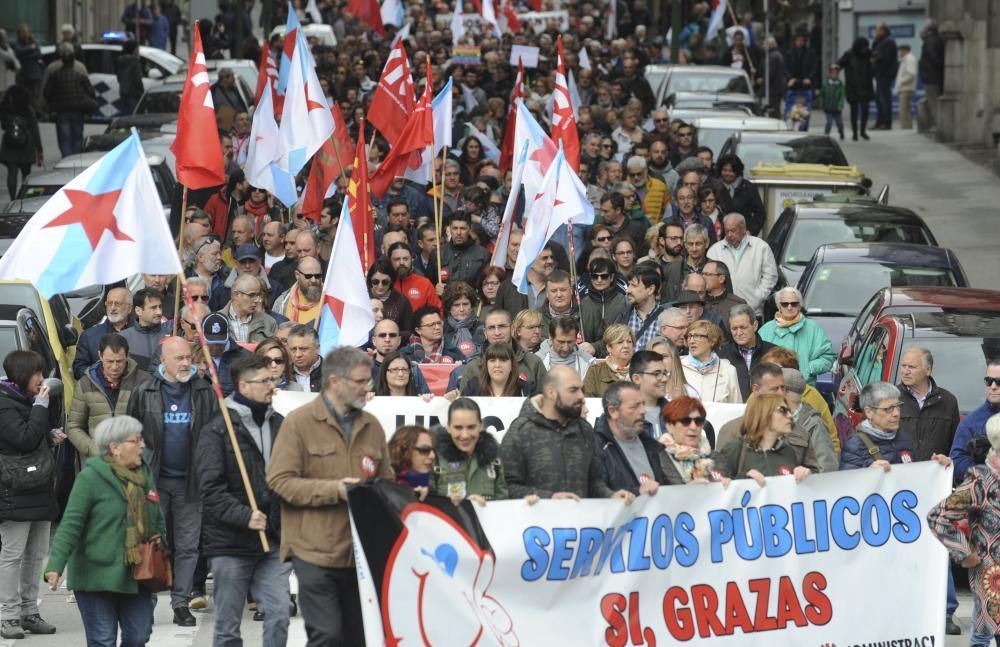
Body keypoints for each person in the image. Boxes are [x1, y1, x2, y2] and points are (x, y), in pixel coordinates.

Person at [267, 346, 393, 646]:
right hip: (313, 551)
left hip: (359, 555)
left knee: (358, 638)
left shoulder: (371, 426)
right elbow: (279, 481)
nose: (368, 388)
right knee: (327, 636)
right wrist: (334, 490)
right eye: (361, 382)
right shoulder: (299, 423)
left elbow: (385, 481)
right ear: (336, 382)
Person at [43, 417, 165, 645]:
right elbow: (71, 524)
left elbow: (156, 516)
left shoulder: (143, 474)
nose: (142, 445)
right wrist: (55, 566)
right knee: (103, 640)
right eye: (135, 440)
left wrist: (162, 548)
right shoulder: (90, 478)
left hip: (138, 572)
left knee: (139, 635)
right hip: (95, 575)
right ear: (114, 447)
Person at [197, 354, 291, 647]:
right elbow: (210, 489)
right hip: (230, 542)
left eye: (273, 380)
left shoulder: (280, 424)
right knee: (227, 627)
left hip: (272, 539)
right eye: (264, 381)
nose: (271, 386)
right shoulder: (218, 428)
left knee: (279, 614)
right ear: (243, 385)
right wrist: (244, 515)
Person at [126, 336, 217, 627]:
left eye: (188, 357)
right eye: (178, 358)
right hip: (155, 481)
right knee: (152, 543)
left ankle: (181, 602)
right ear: (162, 360)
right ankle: (145, 601)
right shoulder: (144, 391)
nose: (185, 362)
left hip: (191, 483)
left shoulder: (204, 391)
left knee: (189, 546)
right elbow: (131, 436)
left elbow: (215, 435)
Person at [501, 365, 634, 503]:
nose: (581, 397)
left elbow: (594, 481)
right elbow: (504, 487)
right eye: (573, 390)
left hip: (579, 522)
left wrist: (610, 496)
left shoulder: (584, 430)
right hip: (536, 522)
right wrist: (548, 498)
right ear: (551, 393)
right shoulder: (520, 431)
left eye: (582, 390)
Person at [0, 351, 61, 639]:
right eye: (37, 374)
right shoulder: (4, 404)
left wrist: (49, 436)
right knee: (12, 555)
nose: (41, 379)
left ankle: (29, 611)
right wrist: (41, 406)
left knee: (36, 554)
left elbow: (33, 436)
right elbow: (22, 439)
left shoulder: (28, 402)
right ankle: (8, 615)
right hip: (14, 489)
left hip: (39, 486)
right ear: (23, 375)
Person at [928, 414, 1000, 645]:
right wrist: (964, 553)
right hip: (992, 576)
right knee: (983, 634)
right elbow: (938, 516)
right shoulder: (981, 481)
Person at [67, 333, 150, 459]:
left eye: (120, 361)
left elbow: (153, 424)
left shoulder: (143, 381)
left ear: (128, 356)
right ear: (100, 355)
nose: (115, 367)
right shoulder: (85, 384)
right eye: (110, 361)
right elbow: (74, 426)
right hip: (99, 462)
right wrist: (92, 449)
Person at [594, 381, 682, 495]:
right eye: (634, 406)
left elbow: (671, 486)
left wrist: (691, 488)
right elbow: (596, 494)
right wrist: (637, 493)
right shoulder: (596, 447)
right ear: (613, 411)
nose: (643, 411)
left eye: (643, 404)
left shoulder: (651, 445)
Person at [712, 393, 814, 485]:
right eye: (783, 410)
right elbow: (717, 490)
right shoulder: (736, 448)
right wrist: (742, 480)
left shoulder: (788, 451)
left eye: (789, 411)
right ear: (764, 414)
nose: (790, 416)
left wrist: (806, 477)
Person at [432, 398, 508, 504]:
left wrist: (485, 506)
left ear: (481, 425)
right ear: (448, 427)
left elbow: (503, 504)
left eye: (471, 427)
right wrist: (446, 504)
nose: (465, 435)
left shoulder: (494, 460)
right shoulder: (433, 459)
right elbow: (423, 507)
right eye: (458, 428)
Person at [895, 347, 960, 462]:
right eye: (903, 366)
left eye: (911, 367)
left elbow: (956, 447)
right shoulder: (891, 399)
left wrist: (947, 460)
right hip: (899, 475)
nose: (905, 371)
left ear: (928, 370)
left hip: (935, 475)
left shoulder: (948, 401)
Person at [758, 287, 834, 385]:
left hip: (804, 388)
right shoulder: (766, 329)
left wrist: (807, 368)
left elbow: (827, 357)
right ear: (779, 306)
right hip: (772, 388)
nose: (789, 307)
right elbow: (757, 359)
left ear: (799, 306)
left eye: (794, 304)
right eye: (785, 304)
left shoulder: (812, 328)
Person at [707, 213, 778, 318]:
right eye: (727, 231)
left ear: (743, 229)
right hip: (722, 313)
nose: (730, 234)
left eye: (733, 230)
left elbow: (770, 276)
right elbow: (708, 277)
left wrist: (758, 296)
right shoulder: (715, 250)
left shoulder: (761, 247)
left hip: (753, 310)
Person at [840, 382, 915, 470]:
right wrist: (868, 473)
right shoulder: (855, 446)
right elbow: (847, 481)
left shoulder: (905, 437)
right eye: (888, 409)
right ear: (869, 412)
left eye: (898, 406)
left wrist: (932, 465)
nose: (896, 413)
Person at [42, 42, 96, 157]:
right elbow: (91, 91)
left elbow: (47, 92)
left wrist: (50, 104)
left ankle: (66, 159)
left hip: (61, 111)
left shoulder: (54, 72)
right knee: (77, 137)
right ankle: (75, 159)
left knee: (64, 138)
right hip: (78, 110)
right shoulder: (80, 71)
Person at [950, 361, 1000, 483]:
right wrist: (983, 476)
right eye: (989, 381)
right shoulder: (970, 422)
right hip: (986, 496)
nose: (993, 386)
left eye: (999, 381)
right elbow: (957, 458)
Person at [717, 304, 777, 400]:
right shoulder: (722, 355)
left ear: (755, 325)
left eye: (743, 327)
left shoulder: (773, 352)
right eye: (734, 328)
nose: (739, 333)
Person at [73, 287, 134, 379]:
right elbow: (78, 369)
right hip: (101, 391)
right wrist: (101, 376)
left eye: (117, 304)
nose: (112, 308)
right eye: (109, 303)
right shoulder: (89, 336)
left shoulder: (142, 334)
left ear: (129, 308)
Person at [680, 321, 741, 404]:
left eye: (697, 336)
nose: (691, 341)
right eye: (689, 336)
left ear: (712, 340)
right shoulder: (679, 367)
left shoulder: (728, 371)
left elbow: (736, 409)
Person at [0, 84, 42, 201]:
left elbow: (4, 126)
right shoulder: (28, 110)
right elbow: (35, 129)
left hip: (9, 142)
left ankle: (12, 198)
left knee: (11, 173)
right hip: (26, 143)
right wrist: (39, 148)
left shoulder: (5, 109)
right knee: (26, 173)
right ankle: (23, 198)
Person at [579, 257, 628, 351]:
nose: (599, 280)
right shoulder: (583, 302)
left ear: (612, 277)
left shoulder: (623, 300)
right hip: (587, 354)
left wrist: (596, 347)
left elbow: (621, 333)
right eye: (594, 276)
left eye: (604, 276)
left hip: (617, 352)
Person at [715, 156, 767, 236]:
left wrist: (751, 231)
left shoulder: (749, 188)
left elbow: (760, 214)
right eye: (724, 170)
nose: (727, 173)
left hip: (743, 235)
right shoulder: (714, 187)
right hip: (719, 235)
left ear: (737, 171)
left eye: (731, 171)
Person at [621, 265, 666, 352]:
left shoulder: (666, 319)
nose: (628, 290)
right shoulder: (621, 315)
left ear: (650, 289)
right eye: (629, 285)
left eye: (634, 286)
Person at [584, 324, 635, 398]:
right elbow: (588, 401)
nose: (626, 345)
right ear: (609, 347)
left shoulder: (641, 370)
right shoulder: (595, 371)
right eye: (620, 342)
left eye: (629, 341)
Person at [838, 37, 875, 141]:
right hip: (852, 86)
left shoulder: (869, 54)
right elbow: (838, 64)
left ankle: (863, 131)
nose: (865, 49)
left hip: (866, 85)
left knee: (865, 109)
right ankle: (855, 133)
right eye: (863, 47)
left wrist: (874, 64)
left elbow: (875, 65)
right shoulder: (849, 54)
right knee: (854, 111)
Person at [224, 274, 278, 343]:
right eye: (251, 295)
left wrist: (263, 348)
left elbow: (277, 351)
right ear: (236, 295)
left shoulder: (269, 322)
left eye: (258, 295)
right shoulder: (215, 321)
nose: (257, 300)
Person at [272, 257, 324, 326]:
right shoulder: (282, 302)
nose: (313, 280)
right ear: (297, 275)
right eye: (308, 276)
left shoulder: (330, 300)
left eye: (317, 276)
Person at [460, 343, 524, 397]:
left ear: (512, 365)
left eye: (503, 360)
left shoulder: (525, 389)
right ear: (486, 365)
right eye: (492, 360)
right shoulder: (473, 387)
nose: (497, 365)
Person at [388, 425, 436, 495]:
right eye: (425, 450)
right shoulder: (386, 488)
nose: (432, 456)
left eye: (433, 450)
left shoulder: (430, 487)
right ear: (404, 450)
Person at [442, 280, 483, 359]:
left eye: (465, 304)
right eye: (456, 305)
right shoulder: (441, 329)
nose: (461, 309)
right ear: (449, 308)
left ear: (471, 305)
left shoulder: (482, 328)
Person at [871, 23, 898, 131]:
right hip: (879, 74)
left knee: (884, 99)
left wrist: (875, 59)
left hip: (885, 74)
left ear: (883, 31)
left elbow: (884, 58)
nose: (875, 32)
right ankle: (879, 122)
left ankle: (886, 123)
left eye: (877, 30)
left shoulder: (888, 42)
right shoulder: (879, 42)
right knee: (879, 99)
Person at [919, 21, 944, 131]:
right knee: (932, 101)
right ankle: (934, 124)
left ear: (929, 31)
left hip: (932, 76)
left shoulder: (930, 42)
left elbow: (934, 58)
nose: (922, 31)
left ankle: (938, 125)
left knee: (933, 101)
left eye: (924, 29)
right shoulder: (935, 40)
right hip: (933, 75)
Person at [286, 324, 323, 392]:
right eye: (293, 349)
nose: (298, 354)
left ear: (317, 348)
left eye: (304, 349)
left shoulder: (334, 373)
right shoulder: (283, 375)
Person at [818, 63, 846, 140]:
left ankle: (841, 132)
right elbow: (822, 95)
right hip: (828, 107)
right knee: (829, 123)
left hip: (837, 108)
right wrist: (822, 105)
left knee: (839, 123)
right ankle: (826, 135)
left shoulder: (840, 84)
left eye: (836, 73)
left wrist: (840, 105)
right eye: (832, 73)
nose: (834, 74)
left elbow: (842, 96)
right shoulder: (826, 84)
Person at [894, 43, 918, 130]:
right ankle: (906, 127)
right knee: (905, 109)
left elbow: (911, 74)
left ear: (904, 51)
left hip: (906, 88)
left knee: (904, 110)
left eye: (900, 51)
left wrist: (901, 82)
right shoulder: (906, 59)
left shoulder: (909, 59)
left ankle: (906, 127)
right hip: (905, 87)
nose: (899, 53)